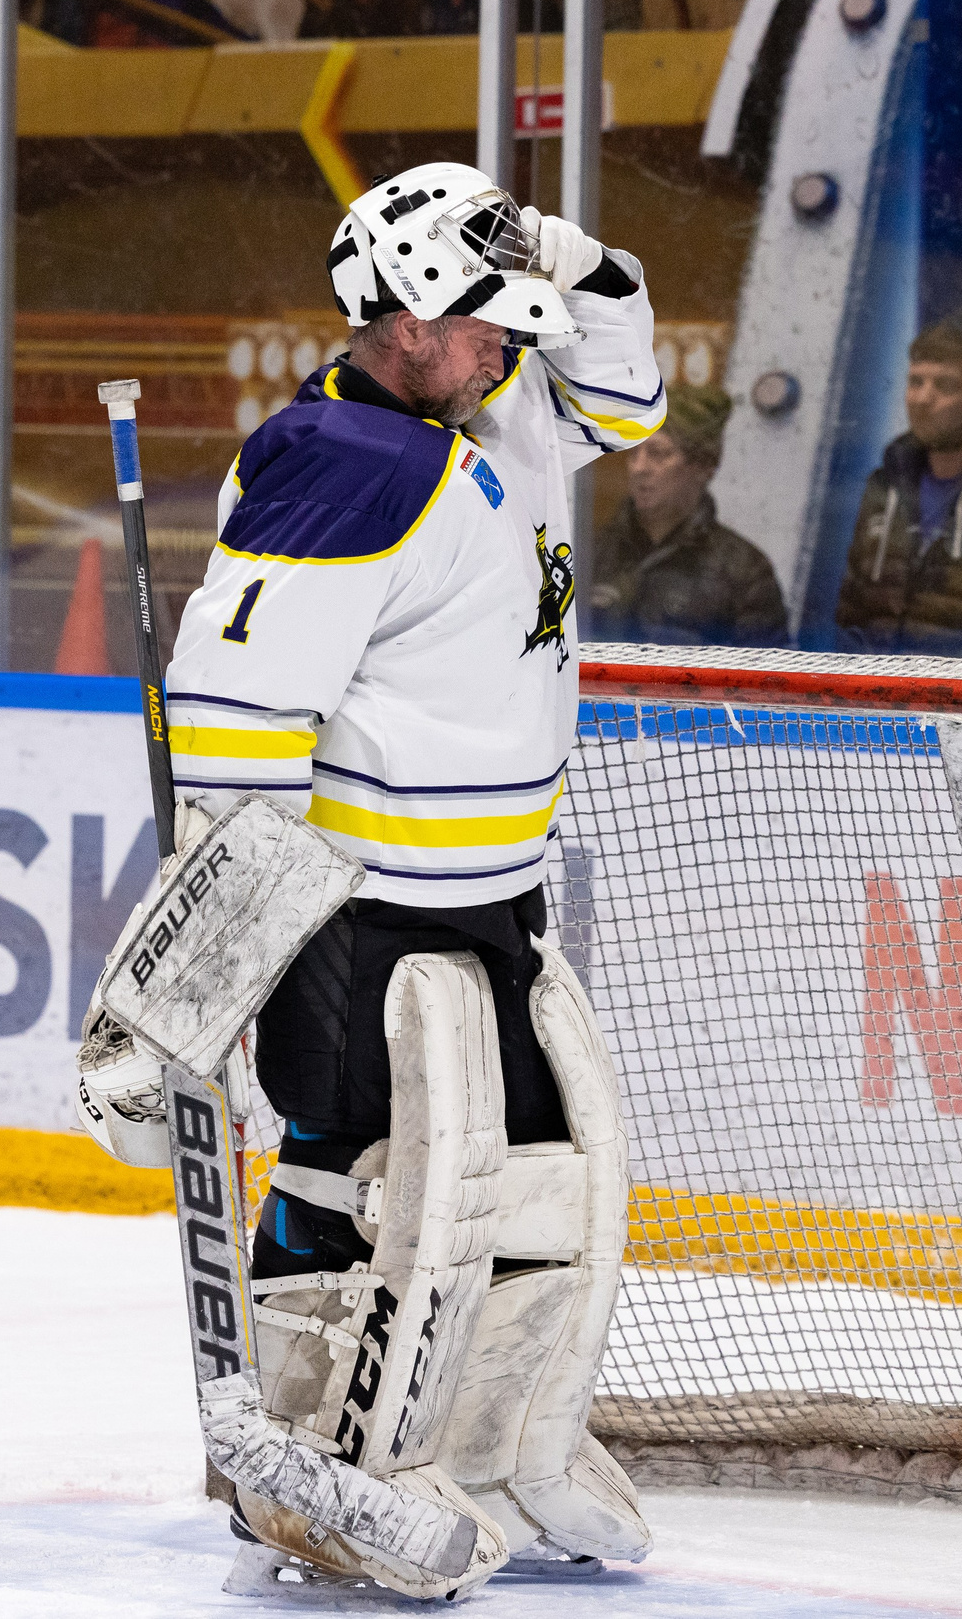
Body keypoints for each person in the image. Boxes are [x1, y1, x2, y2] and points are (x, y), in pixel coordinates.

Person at [77, 162, 663, 1598]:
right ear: (404, 317)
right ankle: (292, 1459)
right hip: (365, 909)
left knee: (519, 1181)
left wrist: (571, 252)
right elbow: (234, 733)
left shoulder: (500, 410)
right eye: (484, 315)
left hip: (496, 895)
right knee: (350, 1177)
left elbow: (631, 391)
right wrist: (206, 968)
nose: (510, 338)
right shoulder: (341, 462)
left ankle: (481, 1441)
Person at [836, 316, 962, 657]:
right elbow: (851, 616)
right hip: (879, 687)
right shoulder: (886, 487)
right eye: (916, 382)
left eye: (946, 385)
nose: (923, 398)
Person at [590, 383, 788, 647]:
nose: (639, 468)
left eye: (658, 454)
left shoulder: (743, 571)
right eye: (633, 452)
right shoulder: (592, 551)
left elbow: (765, 669)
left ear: (703, 467)